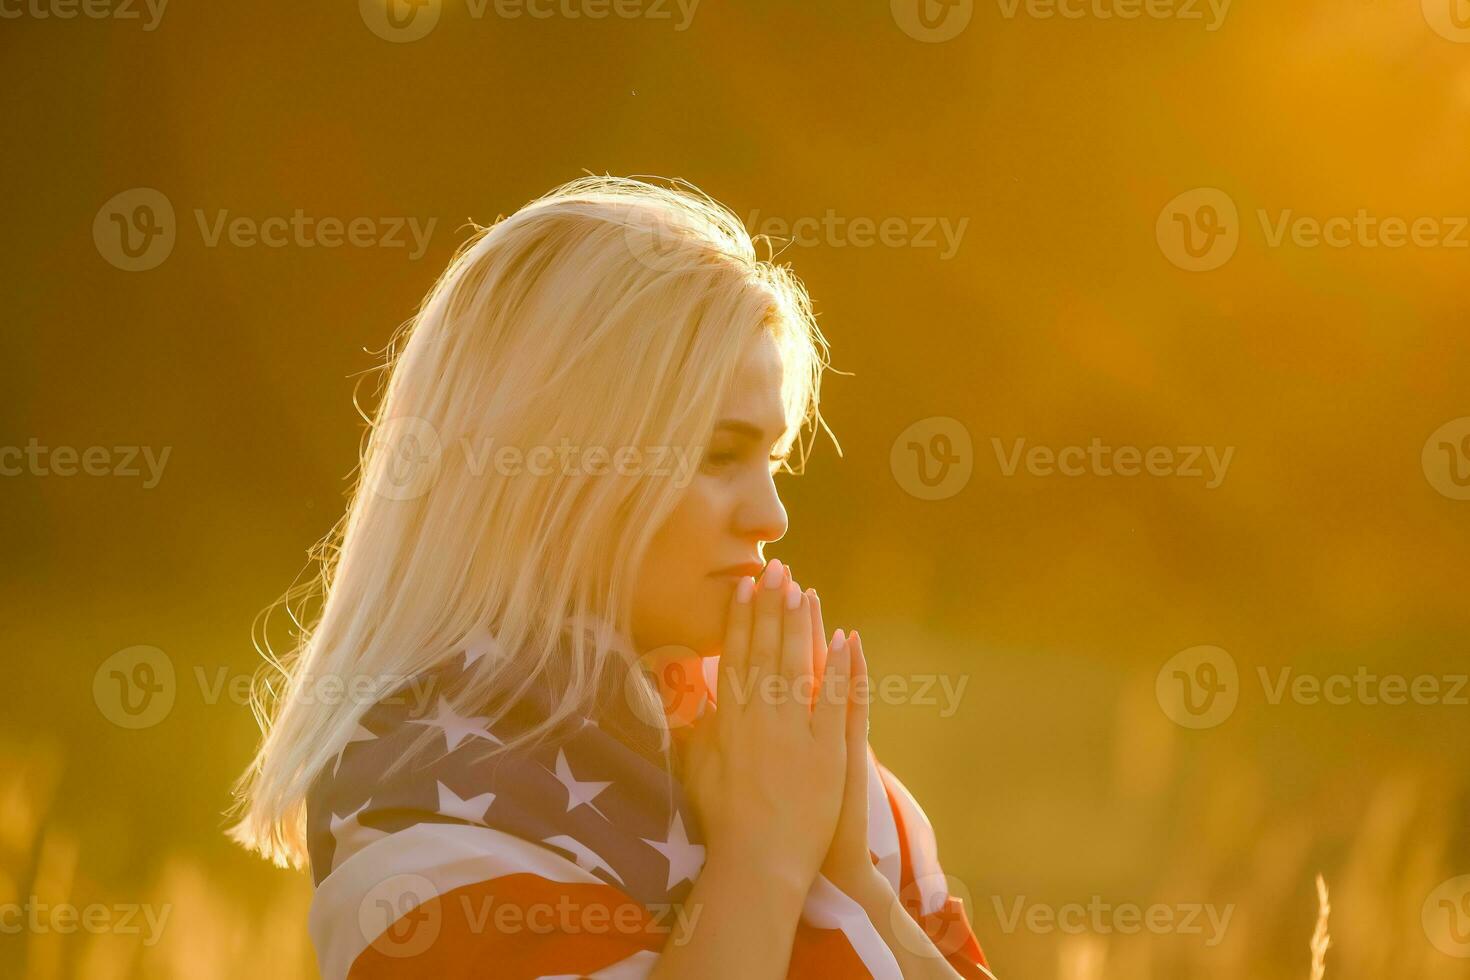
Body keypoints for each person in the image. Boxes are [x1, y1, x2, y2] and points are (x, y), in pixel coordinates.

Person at [227, 175, 994, 979]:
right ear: (555, 462)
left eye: (771, 459)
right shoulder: (423, 807)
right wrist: (760, 859)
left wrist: (851, 880)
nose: (772, 517)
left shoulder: (774, 748)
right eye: (719, 455)